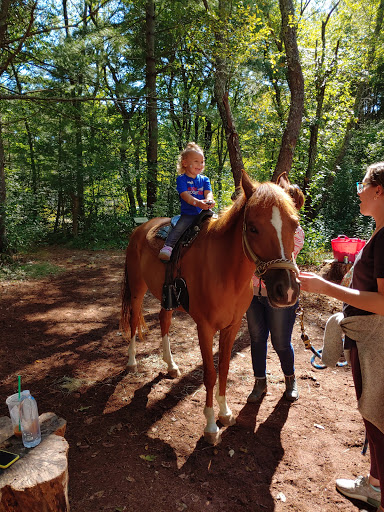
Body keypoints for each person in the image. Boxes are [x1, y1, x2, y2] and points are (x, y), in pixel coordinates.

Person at [299, 161, 384, 512]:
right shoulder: (378, 233)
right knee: (373, 414)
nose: (358, 190)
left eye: (363, 184)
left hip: (375, 341)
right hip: (365, 339)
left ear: (380, 190)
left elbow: (382, 302)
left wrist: (326, 287)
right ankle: (375, 486)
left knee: (377, 415)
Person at [246, 182, 305, 403]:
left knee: (281, 341)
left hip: (280, 291)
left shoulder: (295, 232)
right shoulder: (265, 228)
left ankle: (290, 379)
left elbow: (280, 257)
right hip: (253, 292)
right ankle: (260, 382)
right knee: (257, 338)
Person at [158, 142, 215, 261]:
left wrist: (209, 200)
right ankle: (168, 247)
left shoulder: (205, 179)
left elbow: (208, 192)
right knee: (180, 227)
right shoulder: (181, 179)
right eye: (196, 161)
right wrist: (198, 203)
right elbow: (185, 195)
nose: (200, 164)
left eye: (202, 161)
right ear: (184, 163)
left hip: (205, 212)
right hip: (189, 214)